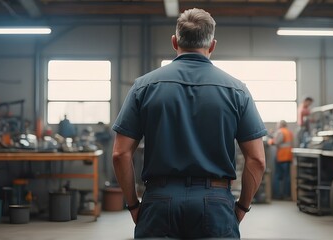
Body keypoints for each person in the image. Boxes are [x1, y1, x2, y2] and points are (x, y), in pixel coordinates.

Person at [112, 8, 266, 239]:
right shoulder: (237, 90)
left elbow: (120, 154)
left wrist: (134, 205)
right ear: (212, 45)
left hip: (159, 200)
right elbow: (257, 160)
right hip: (215, 202)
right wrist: (241, 208)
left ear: (174, 42)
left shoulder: (144, 87)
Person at [267, 120, 294, 200]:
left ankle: (277, 195)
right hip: (288, 156)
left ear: (280, 125)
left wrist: (269, 141)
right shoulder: (289, 132)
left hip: (281, 157)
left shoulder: (280, 132)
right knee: (287, 177)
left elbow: (276, 142)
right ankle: (286, 195)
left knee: (278, 176)